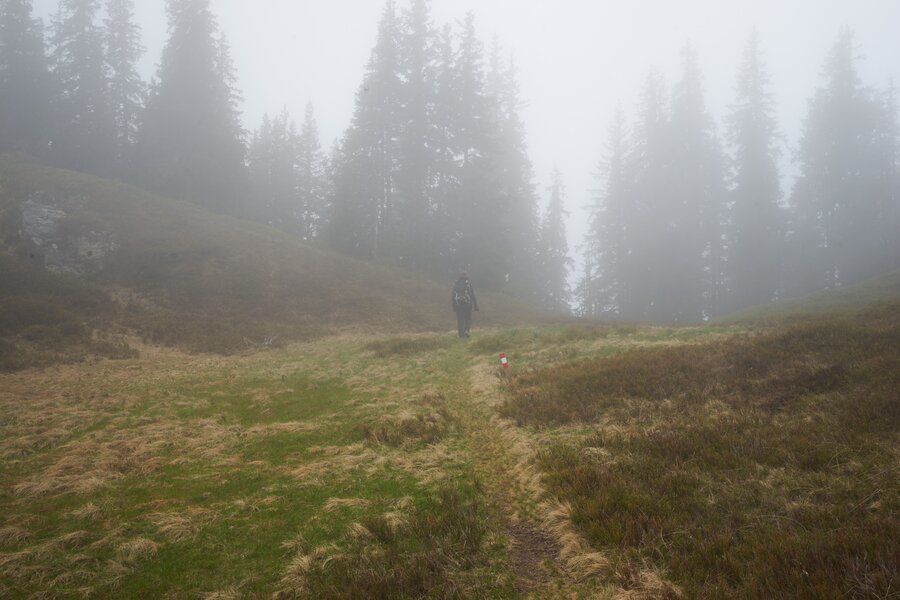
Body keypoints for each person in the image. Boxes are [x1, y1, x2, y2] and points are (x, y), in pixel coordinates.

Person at [451, 272, 478, 338]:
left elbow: (453, 296)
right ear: (466, 277)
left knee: (460, 320)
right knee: (468, 318)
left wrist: (454, 307)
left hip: (458, 304)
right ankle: (466, 331)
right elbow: (472, 295)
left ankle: (461, 335)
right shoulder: (468, 284)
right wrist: (476, 306)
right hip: (468, 304)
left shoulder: (456, 284)